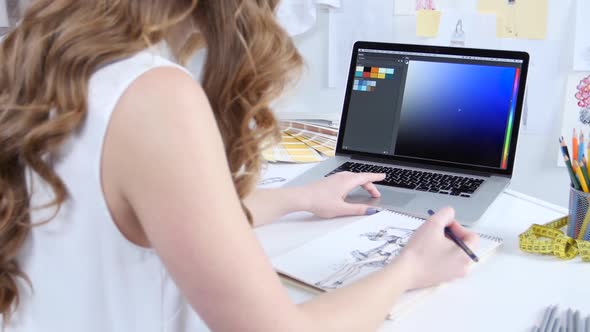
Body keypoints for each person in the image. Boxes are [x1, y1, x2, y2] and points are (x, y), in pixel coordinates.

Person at [0, 1, 479, 331]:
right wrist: (410, 268)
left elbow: (145, 214)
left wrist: (299, 198)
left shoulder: (35, 59)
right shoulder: (154, 95)